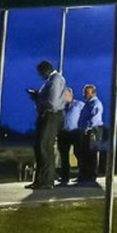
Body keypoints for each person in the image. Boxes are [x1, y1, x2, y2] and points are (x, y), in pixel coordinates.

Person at [26, 60, 66, 189]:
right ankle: (40, 180)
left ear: (45, 70)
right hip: (47, 115)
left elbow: (53, 103)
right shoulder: (52, 80)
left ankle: (47, 180)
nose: (40, 75)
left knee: (45, 147)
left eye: (40, 73)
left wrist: (38, 97)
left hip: (51, 115)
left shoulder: (55, 80)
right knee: (39, 147)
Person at [76, 84, 104, 186]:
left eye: (87, 93)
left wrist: (87, 129)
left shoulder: (95, 103)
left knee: (91, 153)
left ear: (93, 93)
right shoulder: (87, 104)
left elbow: (94, 118)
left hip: (93, 131)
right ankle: (84, 175)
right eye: (84, 92)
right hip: (85, 131)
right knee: (84, 153)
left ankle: (91, 176)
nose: (84, 95)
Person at [56, 87, 84, 186]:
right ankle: (64, 177)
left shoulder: (79, 105)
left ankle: (82, 175)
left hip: (76, 132)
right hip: (63, 133)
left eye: (67, 94)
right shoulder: (60, 106)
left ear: (71, 95)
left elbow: (86, 115)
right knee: (64, 156)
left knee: (78, 153)